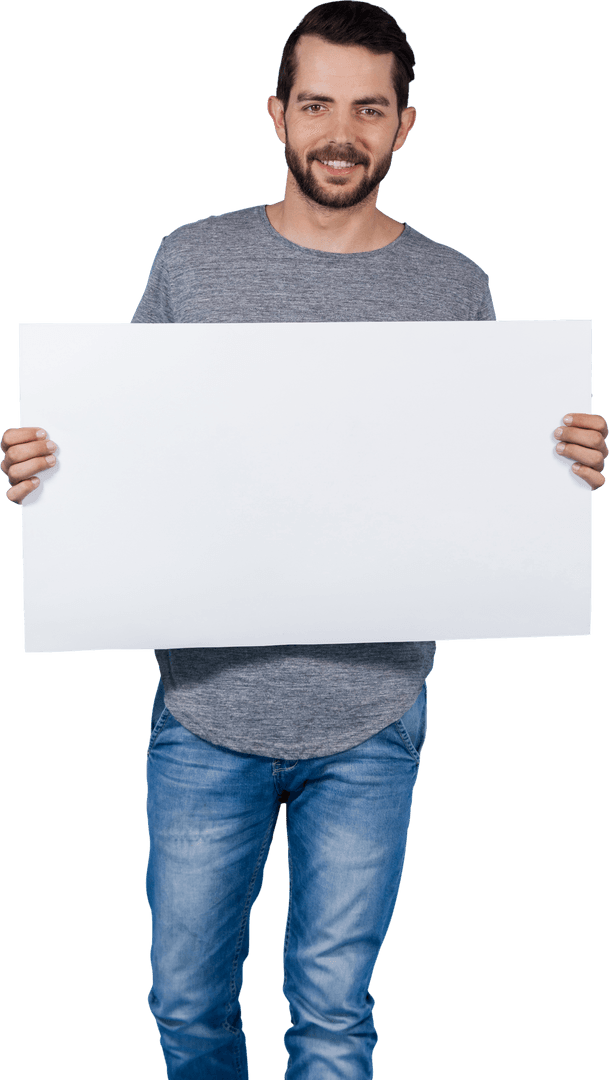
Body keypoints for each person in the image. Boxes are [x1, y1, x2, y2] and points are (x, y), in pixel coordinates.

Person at [2, 3, 607, 1078]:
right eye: (317, 103)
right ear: (277, 113)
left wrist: (561, 463)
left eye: (369, 109)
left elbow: (473, 483)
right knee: (187, 1008)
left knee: (333, 1020)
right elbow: (130, 440)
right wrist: (51, 467)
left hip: (373, 714)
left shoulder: (455, 287)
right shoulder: (192, 260)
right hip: (204, 710)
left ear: (403, 128)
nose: (341, 131)